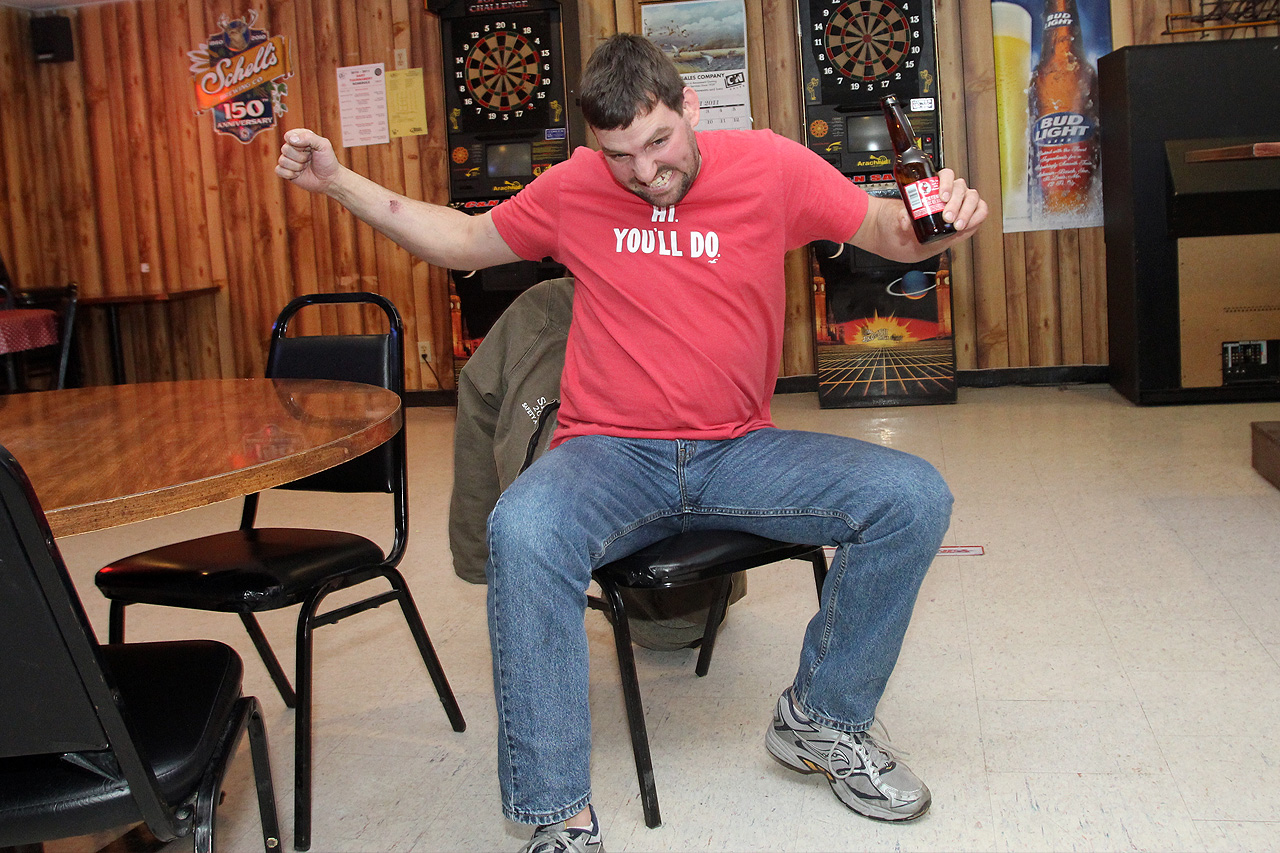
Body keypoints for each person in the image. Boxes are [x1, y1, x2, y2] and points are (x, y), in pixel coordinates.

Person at [277, 33, 987, 853]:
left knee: (912, 496)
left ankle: (821, 718)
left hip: (737, 450)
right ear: (594, 144)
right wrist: (338, 180)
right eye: (620, 155)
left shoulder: (769, 166)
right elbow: (461, 241)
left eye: (659, 143)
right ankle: (558, 814)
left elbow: (893, 231)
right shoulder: (575, 186)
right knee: (524, 526)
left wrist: (945, 222)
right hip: (609, 454)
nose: (646, 172)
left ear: (691, 109)